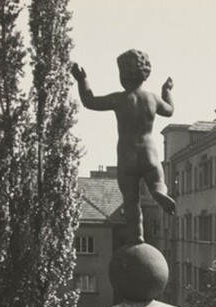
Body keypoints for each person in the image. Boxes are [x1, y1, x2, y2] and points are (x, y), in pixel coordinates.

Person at [71, 50, 176, 245]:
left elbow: (89, 101)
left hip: (127, 154)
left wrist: (82, 79)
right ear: (145, 74)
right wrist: (167, 90)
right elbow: (169, 111)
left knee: (131, 200)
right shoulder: (152, 99)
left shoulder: (119, 99)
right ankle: (159, 192)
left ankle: (137, 236)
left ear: (122, 76)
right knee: (156, 179)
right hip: (149, 152)